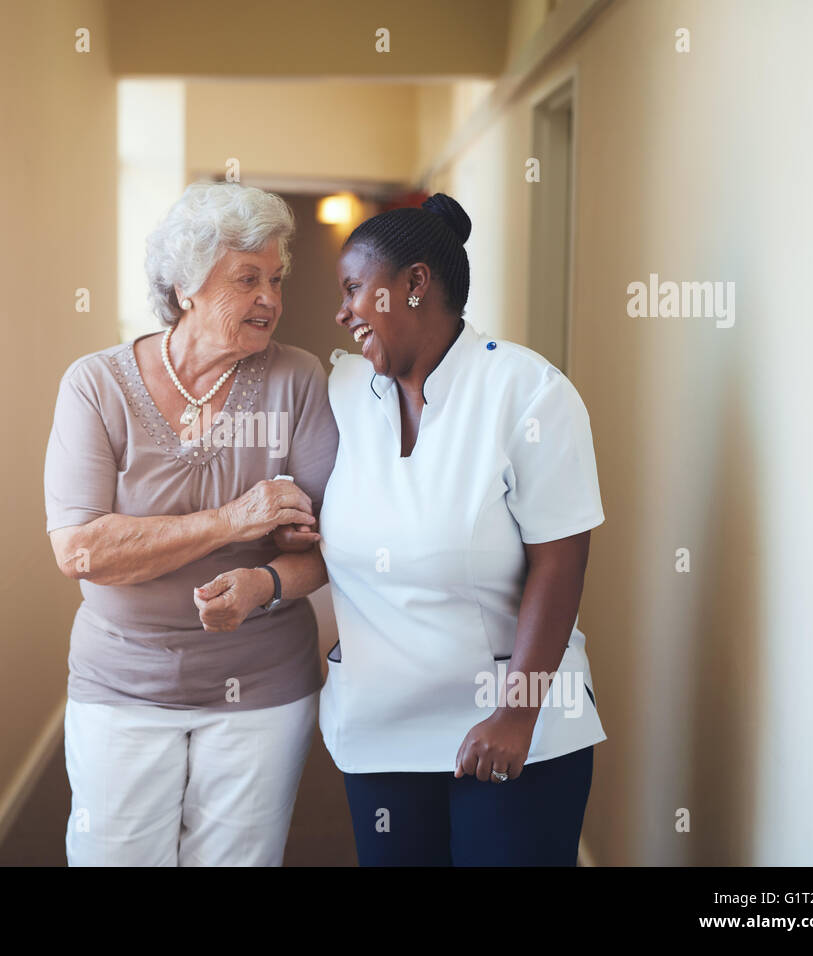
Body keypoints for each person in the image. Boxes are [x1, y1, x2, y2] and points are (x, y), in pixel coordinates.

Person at [233, 193, 607, 865]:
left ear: (413, 285)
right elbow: (328, 517)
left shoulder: (527, 393)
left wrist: (516, 714)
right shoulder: (343, 394)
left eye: (355, 289)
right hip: (380, 732)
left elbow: (560, 563)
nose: (342, 312)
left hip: (509, 728)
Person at [43, 181, 339, 866]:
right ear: (185, 288)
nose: (270, 297)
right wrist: (238, 519)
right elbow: (83, 550)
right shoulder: (97, 386)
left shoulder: (297, 379)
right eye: (247, 278)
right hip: (121, 682)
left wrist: (263, 582)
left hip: (262, 686)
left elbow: (330, 547)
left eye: (276, 278)